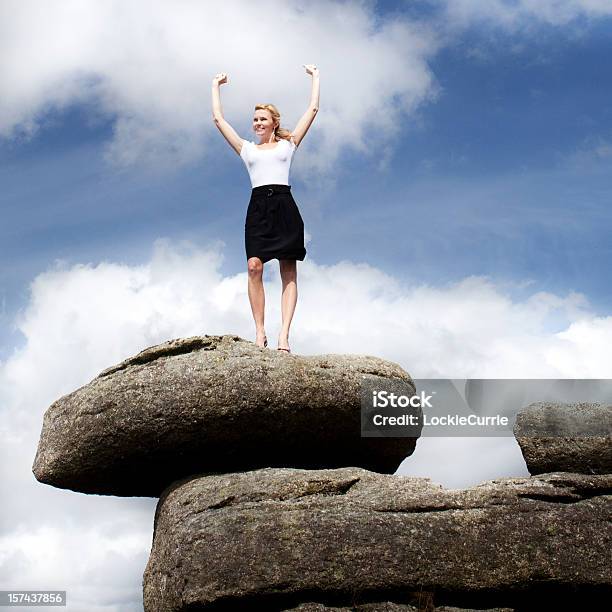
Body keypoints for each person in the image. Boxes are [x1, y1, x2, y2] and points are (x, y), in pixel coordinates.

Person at [211, 64, 320, 353]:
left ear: (274, 122)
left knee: (288, 270)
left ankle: (284, 336)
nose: (257, 123)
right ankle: (260, 333)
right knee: (253, 266)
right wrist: (216, 86)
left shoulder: (289, 145)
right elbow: (218, 120)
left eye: (262, 119)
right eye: (255, 119)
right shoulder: (248, 150)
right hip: (258, 207)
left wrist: (315, 77)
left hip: (285, 205)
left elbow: (312, 110)